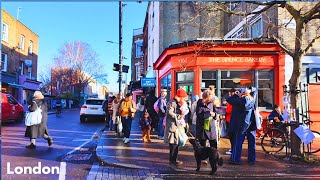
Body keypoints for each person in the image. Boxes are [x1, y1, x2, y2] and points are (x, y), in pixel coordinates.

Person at [227, 87, 256, 165]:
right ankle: (251, 159)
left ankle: (235, 159)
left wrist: (237, 95)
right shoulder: (252, 100)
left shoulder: (242, 101)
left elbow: (229, 100)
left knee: (238, 142)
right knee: (251, 142)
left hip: (241, 124)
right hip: (251, 124)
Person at [164, 88, 188, 166]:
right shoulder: (172, 103)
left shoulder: (177, 103)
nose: (183, 99)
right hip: (172, 126)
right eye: (183, 97)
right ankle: (172, 160)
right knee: (173, 144)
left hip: (177, 126)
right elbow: (169, 112)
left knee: (176, 144)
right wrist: (178, 116)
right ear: (180, 96)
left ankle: (174, 159)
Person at [225, 88, 236, 155]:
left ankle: (233, 150)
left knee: (232, 136)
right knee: (232, 136)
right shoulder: (232, 102)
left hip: (230, 120)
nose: (229, 94)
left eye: (230, 93)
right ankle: (233, 149)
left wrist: (224, 110)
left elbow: (228, 110)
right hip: (230, 120)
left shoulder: (233, 102)